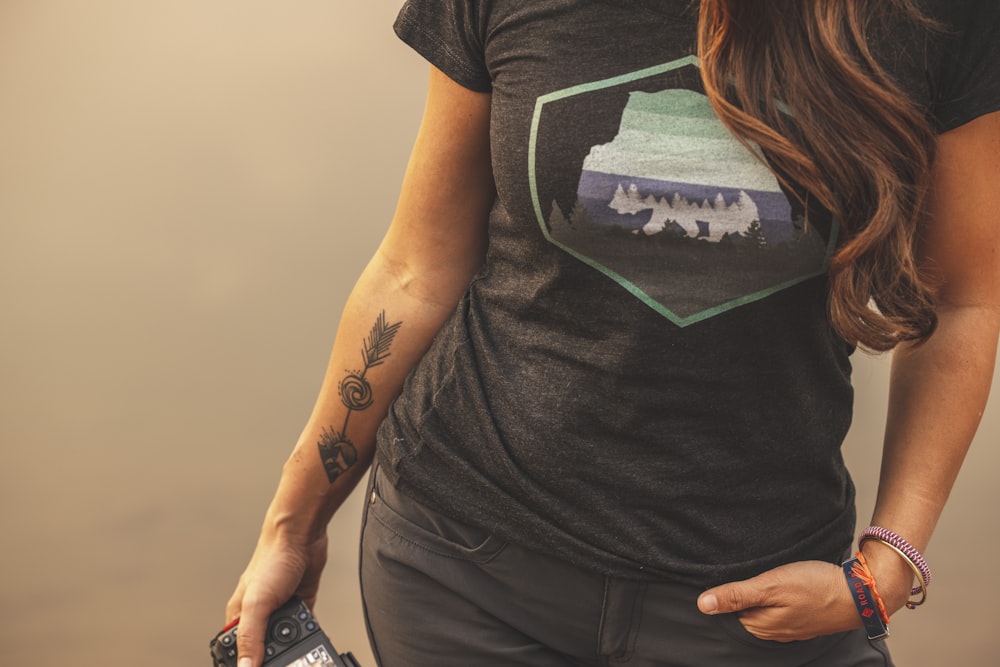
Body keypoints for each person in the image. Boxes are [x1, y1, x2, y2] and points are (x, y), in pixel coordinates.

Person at [224, 1, 1000, 665]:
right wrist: (293, 523)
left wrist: (888, 566)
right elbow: (416, 266)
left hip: (757, 600)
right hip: (466, 573)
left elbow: (964, 297)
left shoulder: (931, 16)